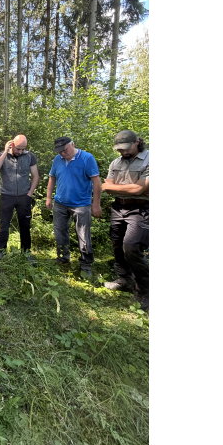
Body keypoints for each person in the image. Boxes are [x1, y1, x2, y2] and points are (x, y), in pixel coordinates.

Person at [101, 129, 149, 311]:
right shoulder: (116, 162)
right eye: (119, 149)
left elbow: (139, 190)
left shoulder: (149, 159)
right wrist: (128, 188)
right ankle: (123, 279)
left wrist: (118, 187)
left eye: (126, 148)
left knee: (131, 246)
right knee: (117, 243)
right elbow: (106, 186)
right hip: (118, 207)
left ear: (137, 142)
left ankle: (145, 291)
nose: (123, 152)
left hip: (140, 208)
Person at [45, 137, 102, 276]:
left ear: (73, 144)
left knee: (83, 235)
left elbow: (96, 182)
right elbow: (52, 178)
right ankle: (63, 258)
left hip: (81, 205)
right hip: (60, 203)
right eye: (60, 152)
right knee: (60, 233)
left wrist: (96, 204)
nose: (63, 154)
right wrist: (48, 197)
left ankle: (86, 264)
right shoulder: (57, 159)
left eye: (65, 150)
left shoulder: (87, 158)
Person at [0, 134, 39, 263]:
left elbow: (36, 176)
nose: (21, 151)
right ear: (12, 145)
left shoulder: (29, 156)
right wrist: (6, 151)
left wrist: (29, 194)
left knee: (25, 225)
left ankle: (26, 252)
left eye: (23, 149)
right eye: (18, 149)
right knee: (4, 225)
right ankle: (1, 251)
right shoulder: (2, 155)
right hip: (7, 196)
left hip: (24, 197)